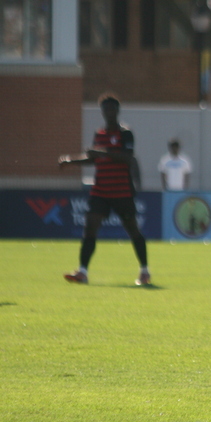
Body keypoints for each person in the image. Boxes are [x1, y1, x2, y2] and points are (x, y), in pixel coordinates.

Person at [58, 93, 150, 286]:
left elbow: (128, 158)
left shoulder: (125, 133)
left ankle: (144, 271)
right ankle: (82, 272)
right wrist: (71, 161)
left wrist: (100, 152)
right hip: (100, 190)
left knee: (133, 230)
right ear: (102, 111)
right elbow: (94, 159)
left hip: (121, 191)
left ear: (117, 111)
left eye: (112, 109)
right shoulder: (99, 133)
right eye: (105, 109)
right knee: (90, 228)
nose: (108, 112)